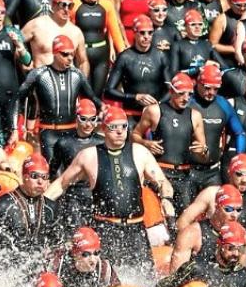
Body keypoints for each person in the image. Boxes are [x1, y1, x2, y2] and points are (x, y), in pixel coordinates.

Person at [45, 104, 173, 270]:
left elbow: (162, 181)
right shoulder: (89, 155)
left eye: (124, 126)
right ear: (103, 128)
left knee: (145, 278)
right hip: (106, 230)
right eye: (114, 127)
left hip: (136, 230)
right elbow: (61, 184)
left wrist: (167, 198)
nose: (120, 131)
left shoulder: (139, 152)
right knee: (108, 281)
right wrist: (40, 204)